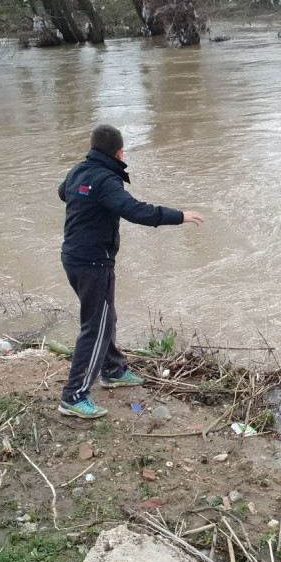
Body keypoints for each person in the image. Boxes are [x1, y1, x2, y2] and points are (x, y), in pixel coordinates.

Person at [57, 124, 203, 419]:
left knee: (103, 316)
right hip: (94, 262)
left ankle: (113, 369)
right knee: (95, 327)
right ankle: (74, 395)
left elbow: (63, 193)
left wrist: (87, 200)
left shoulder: (78, 172)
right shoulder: (106, 180)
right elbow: (135, 210)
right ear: (120, 152)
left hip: (72, 257)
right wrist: (180, 216)